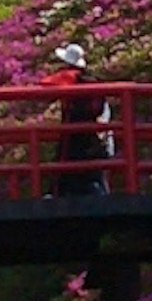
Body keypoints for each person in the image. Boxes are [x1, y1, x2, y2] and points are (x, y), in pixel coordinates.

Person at [45, 43, 109, 198]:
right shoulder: (92, 80)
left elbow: (45, 84)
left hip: (71, 133)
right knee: (92, 173)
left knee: (66, 167)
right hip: (91, 134)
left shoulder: (69, 77)